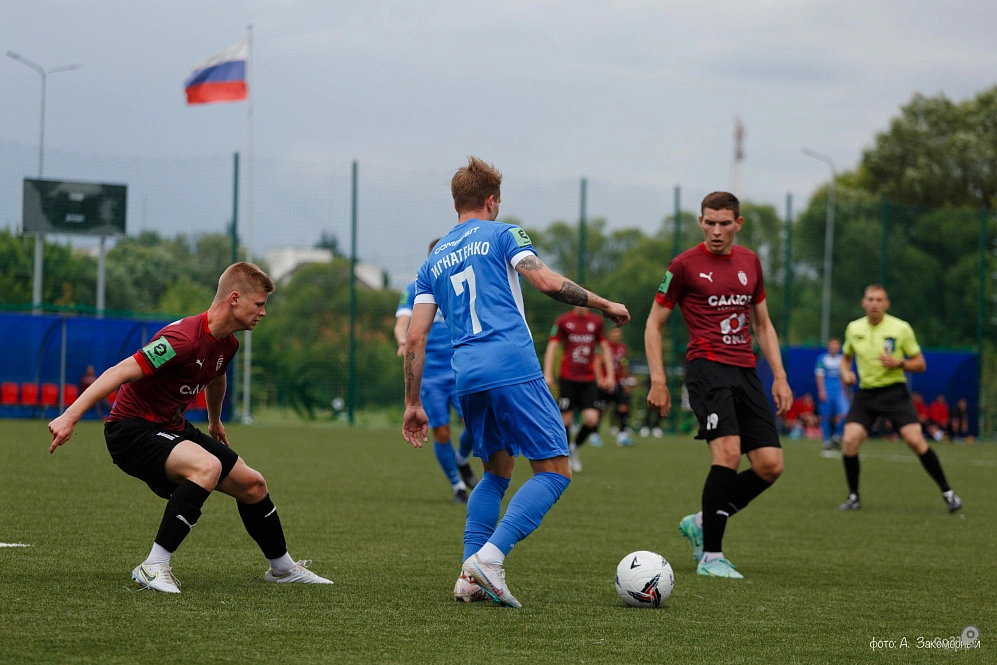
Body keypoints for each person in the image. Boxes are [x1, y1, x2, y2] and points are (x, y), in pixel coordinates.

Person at [402, 157, 629, 608]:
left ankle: (469, 576)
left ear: (456, 203)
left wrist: (412, 403)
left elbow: (414, 337)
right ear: (491, 201)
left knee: (496, 472)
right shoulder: (504, 233)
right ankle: (490, 559)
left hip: (468, 375)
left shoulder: (433, 260)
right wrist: (605, 304)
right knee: (556, 472)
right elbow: (546, 282)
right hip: (512, 365)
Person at [48, 262, 332, 593]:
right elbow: (119, 372)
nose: (263, 312)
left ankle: (282, 568)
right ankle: (153, 566)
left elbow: (217, 377)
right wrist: (70, 417)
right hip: (131, 430)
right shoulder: (181, 339)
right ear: (235, 299)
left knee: (253, 484)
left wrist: (214, 420)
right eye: (259, 304)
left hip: (171, 426)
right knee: (206, 467)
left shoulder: (229, 344)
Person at [645, 191, 792, 579]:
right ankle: (711, 556)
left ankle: (701, 521)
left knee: (770, 465)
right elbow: (653, 324)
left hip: (746, 369)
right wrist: (658, 380)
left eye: (724, 223)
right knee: (728, 454)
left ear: (737, 224)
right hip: (706, 369)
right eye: (709, 222)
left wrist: (779, 375)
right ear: (700, 222)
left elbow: (762, 324)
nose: (715, 230)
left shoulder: (750, 262)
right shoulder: (683, 265)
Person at [837, 284, 962, 513]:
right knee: (850, 440)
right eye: (870, 299)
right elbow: (845, 359)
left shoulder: (901, 328)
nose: (874, 304)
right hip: (866, 394)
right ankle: (853, 496)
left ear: (887, 304)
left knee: (915, 441)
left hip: (894, 393)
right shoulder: (854, 328)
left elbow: (921, 364)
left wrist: (900, 363)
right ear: (863, 302)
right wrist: (845, 374)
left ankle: (948, 493)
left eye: (879, 300)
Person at [395, 240, 479, 503]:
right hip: (430, 374)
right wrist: (402, 340)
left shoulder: (461, 284)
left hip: (461, 368)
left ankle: (461, 458)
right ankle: (457, 486)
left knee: (475, 425)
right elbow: (402, 322)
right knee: (441, 432)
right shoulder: (415, 287)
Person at [543, 305, 615, 471]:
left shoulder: (596, 321)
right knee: (565, 420)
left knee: (591, 419)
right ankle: (566, 456)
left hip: (588, 379)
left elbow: (605, 347)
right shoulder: (563, 320)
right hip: (567, 377)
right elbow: (553, 345)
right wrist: (548, 373)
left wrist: (610, 375)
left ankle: (574, 447)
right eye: (577, 300)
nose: (580, 304)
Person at [599, 327, 636, 446]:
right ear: (609, 335)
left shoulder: (623, 348)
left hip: (619, 382)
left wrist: (627, 380)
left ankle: (622, 435)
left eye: (618, 334)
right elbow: (597, 363)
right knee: (601, 409)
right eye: (614, 334)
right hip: (606, 383)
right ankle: (594, 434)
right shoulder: (604, 347)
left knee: (623, 407)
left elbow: (624, 364)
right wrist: (601, 379)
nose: (616, 336)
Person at [814, 338, 850, 450]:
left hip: (839, 392)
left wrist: (845, 391)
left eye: (836, 345)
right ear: (828, 347)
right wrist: (821, 391)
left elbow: (844, 376)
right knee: (826, 416)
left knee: (845, 413)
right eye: (832, 345)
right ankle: (826, 441)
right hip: (827, 391)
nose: (834, 347)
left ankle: (836, 436)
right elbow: (819, 375)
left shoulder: (842, 359)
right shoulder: (822, 359)